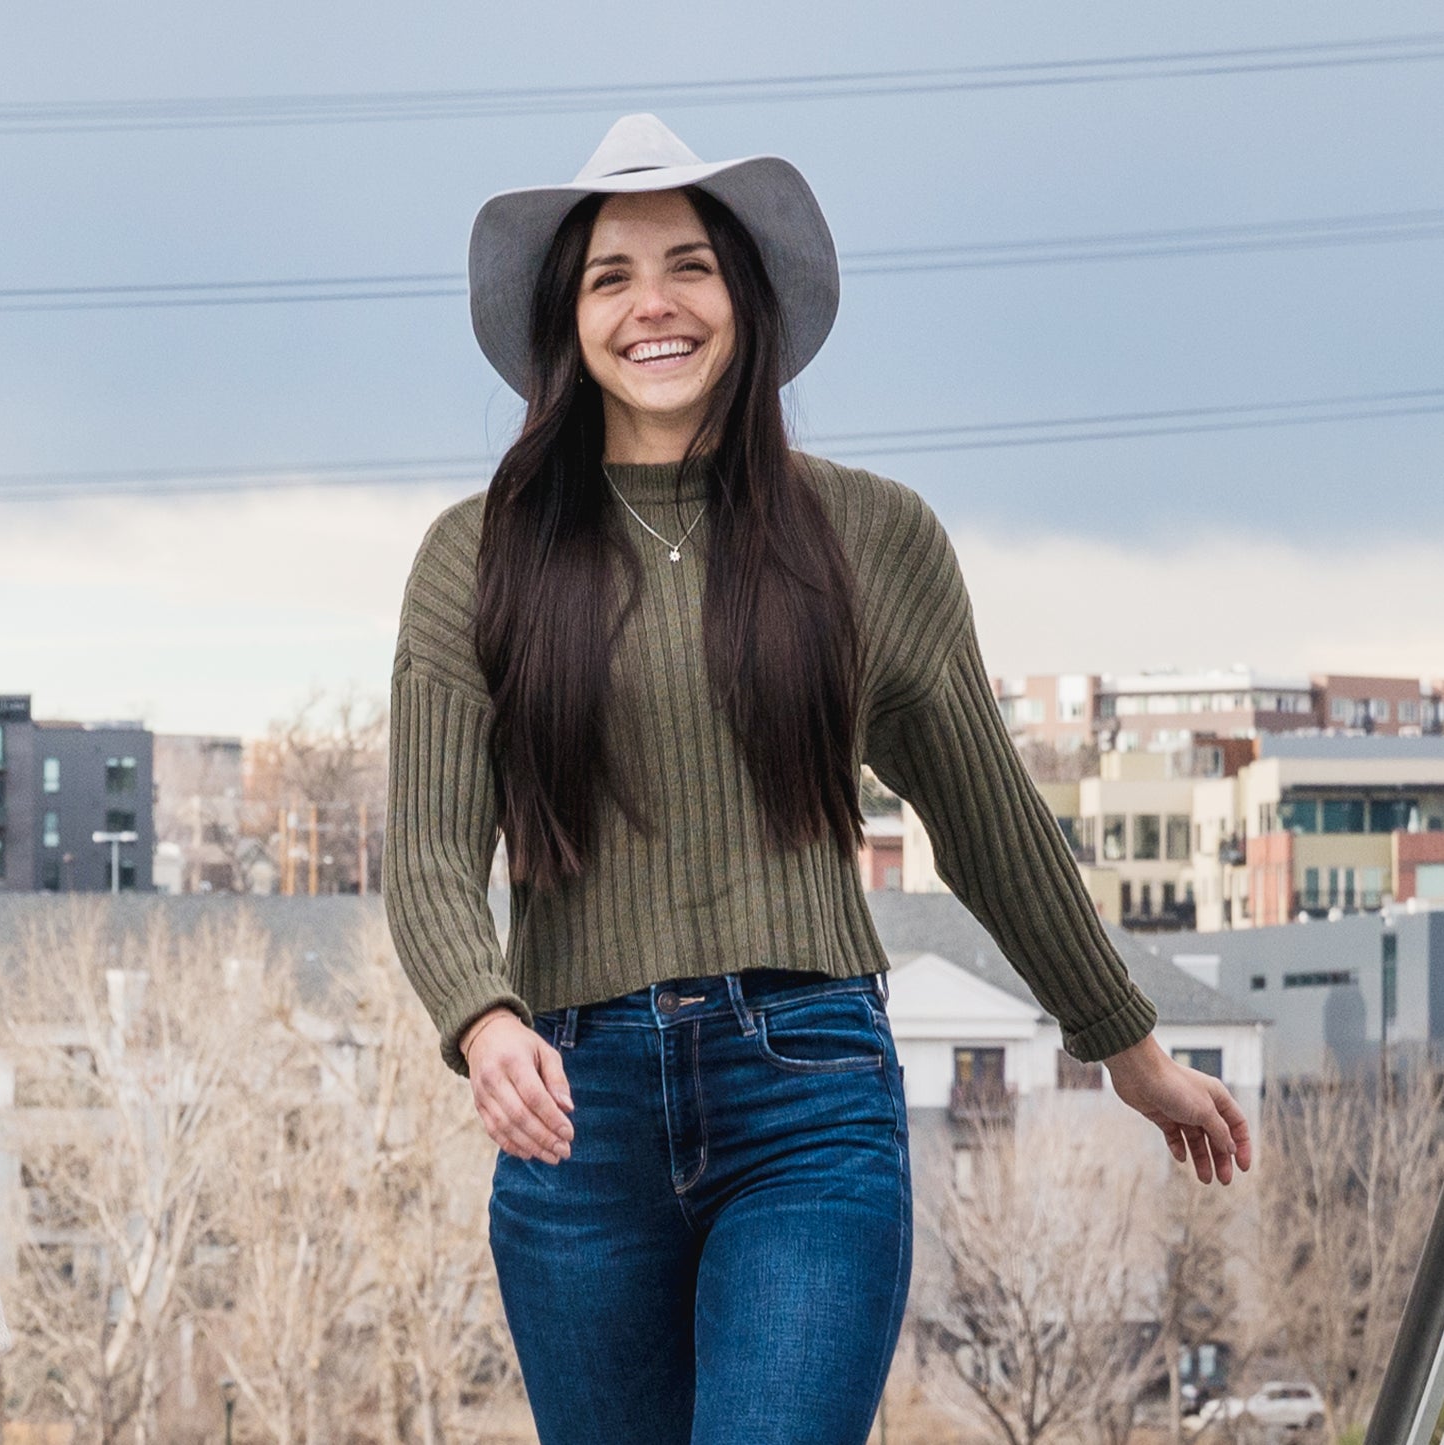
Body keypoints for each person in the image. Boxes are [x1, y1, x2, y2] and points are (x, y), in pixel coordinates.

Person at [383, 112, 1252, 1445]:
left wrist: (1125, 1045)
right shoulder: (478, 555)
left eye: (689, 266)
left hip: (804, 1096)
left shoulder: (868, 534)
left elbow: (985, 815)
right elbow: (431, 847)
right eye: (610, 275)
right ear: (570, 316)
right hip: (576, 1118)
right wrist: (482, 1017)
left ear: (749, 300)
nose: (652, 304)